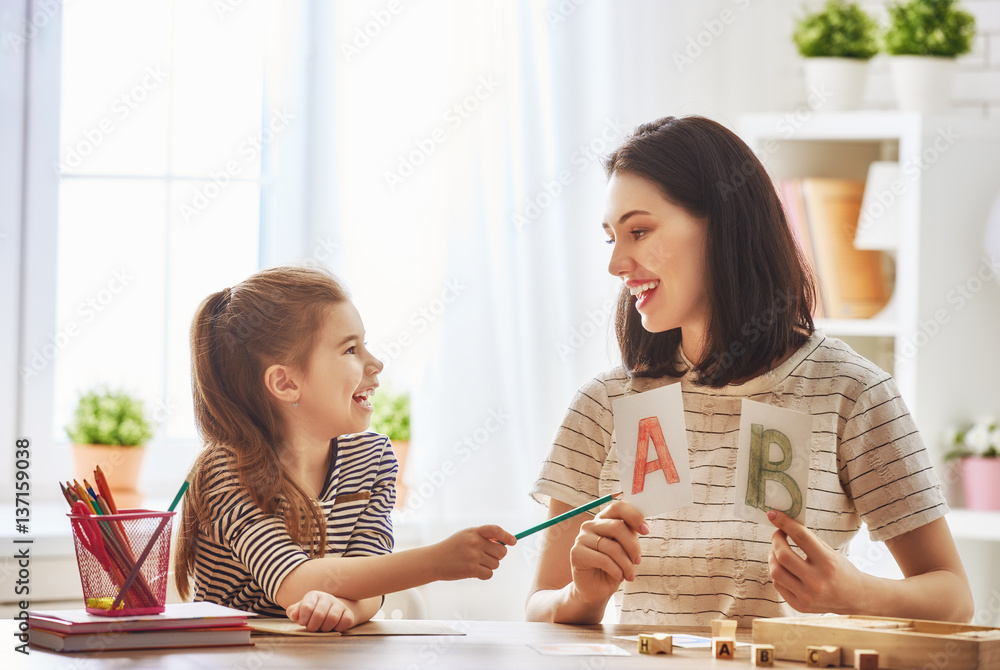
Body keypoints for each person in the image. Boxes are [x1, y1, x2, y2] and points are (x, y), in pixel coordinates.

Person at [525, 116, 974, 627]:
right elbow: (539, 606)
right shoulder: (603, 405)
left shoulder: (850, 392)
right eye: (611, 238)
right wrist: (581, 597)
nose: (616, 263)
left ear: (722, 226)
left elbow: (955, 599)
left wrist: (856, 593)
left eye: (640, 231)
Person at [174, 266, 515, 632]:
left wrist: (348, 610)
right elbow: (293, 581)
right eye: (351, 349)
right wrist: (436, 562)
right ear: (286, 382)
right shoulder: (226, 471)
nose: (376, 363)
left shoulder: (372, 460)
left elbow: (371, 577)